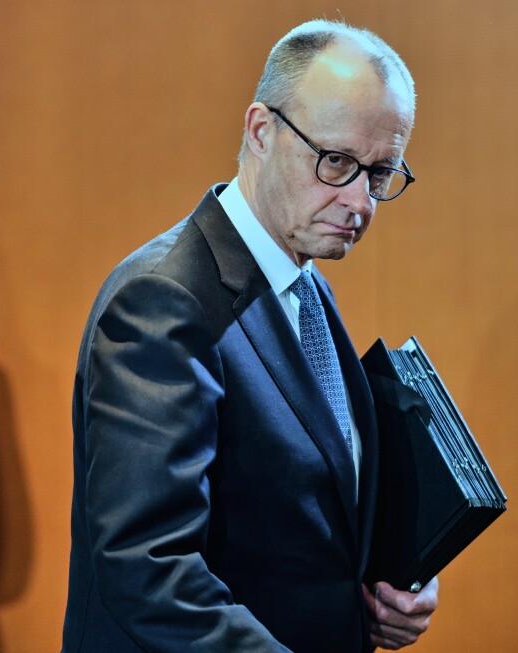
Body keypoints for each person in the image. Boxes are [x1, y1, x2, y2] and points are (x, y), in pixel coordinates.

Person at [61, 20, 438, 653]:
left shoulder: (304, 283)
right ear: (261, 131)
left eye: (379, 174)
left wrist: (386, 586)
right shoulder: (162, 301)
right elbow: (150, 570)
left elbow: (314, 509)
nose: (360, 203)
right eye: (337, 162)